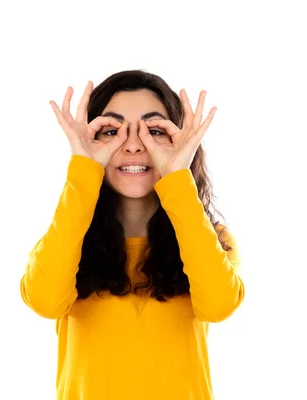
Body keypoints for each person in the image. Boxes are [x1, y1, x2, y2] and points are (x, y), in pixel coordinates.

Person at [20, 69, 244, 399]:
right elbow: (44, 301)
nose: (135, 146)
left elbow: (219, 306)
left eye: (154, 131)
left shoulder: (211, 238)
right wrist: (84, 169)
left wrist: (177, 176)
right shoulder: (67, 238)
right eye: (112, 131)